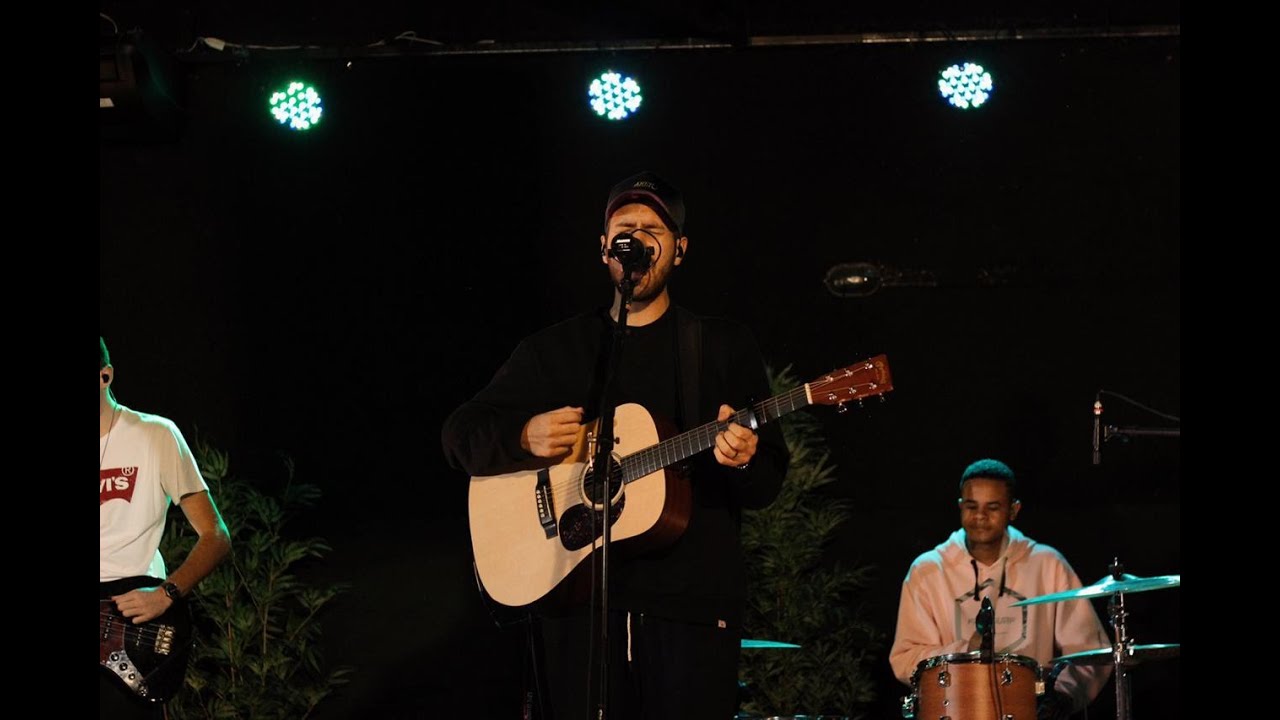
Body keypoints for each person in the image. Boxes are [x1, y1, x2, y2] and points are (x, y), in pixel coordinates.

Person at [441, 171, 789, 720]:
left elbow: (768, 479)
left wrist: (743, 459)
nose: (636, 236)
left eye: (654, 228)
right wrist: (522, 436)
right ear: (604, 247)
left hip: (690, 612)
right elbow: (460, 433)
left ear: (679, 250)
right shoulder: (553, 351)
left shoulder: (720, 346)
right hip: (576, 604)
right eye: (624, 226)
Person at [889, 458, 1113, 720]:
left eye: (992, 507)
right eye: (971, 506)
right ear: (960, 507)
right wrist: (965, 651)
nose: (980, 516)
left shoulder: (1046, 563)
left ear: (1013, 509)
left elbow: (1090, 651)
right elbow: (905, 658)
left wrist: (1061, 696)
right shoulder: (927, 570)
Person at [100, 336, 233, 719]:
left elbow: (216, 535)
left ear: (105, 376)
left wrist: (166, 594)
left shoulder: (154, 434)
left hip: (131, 629)